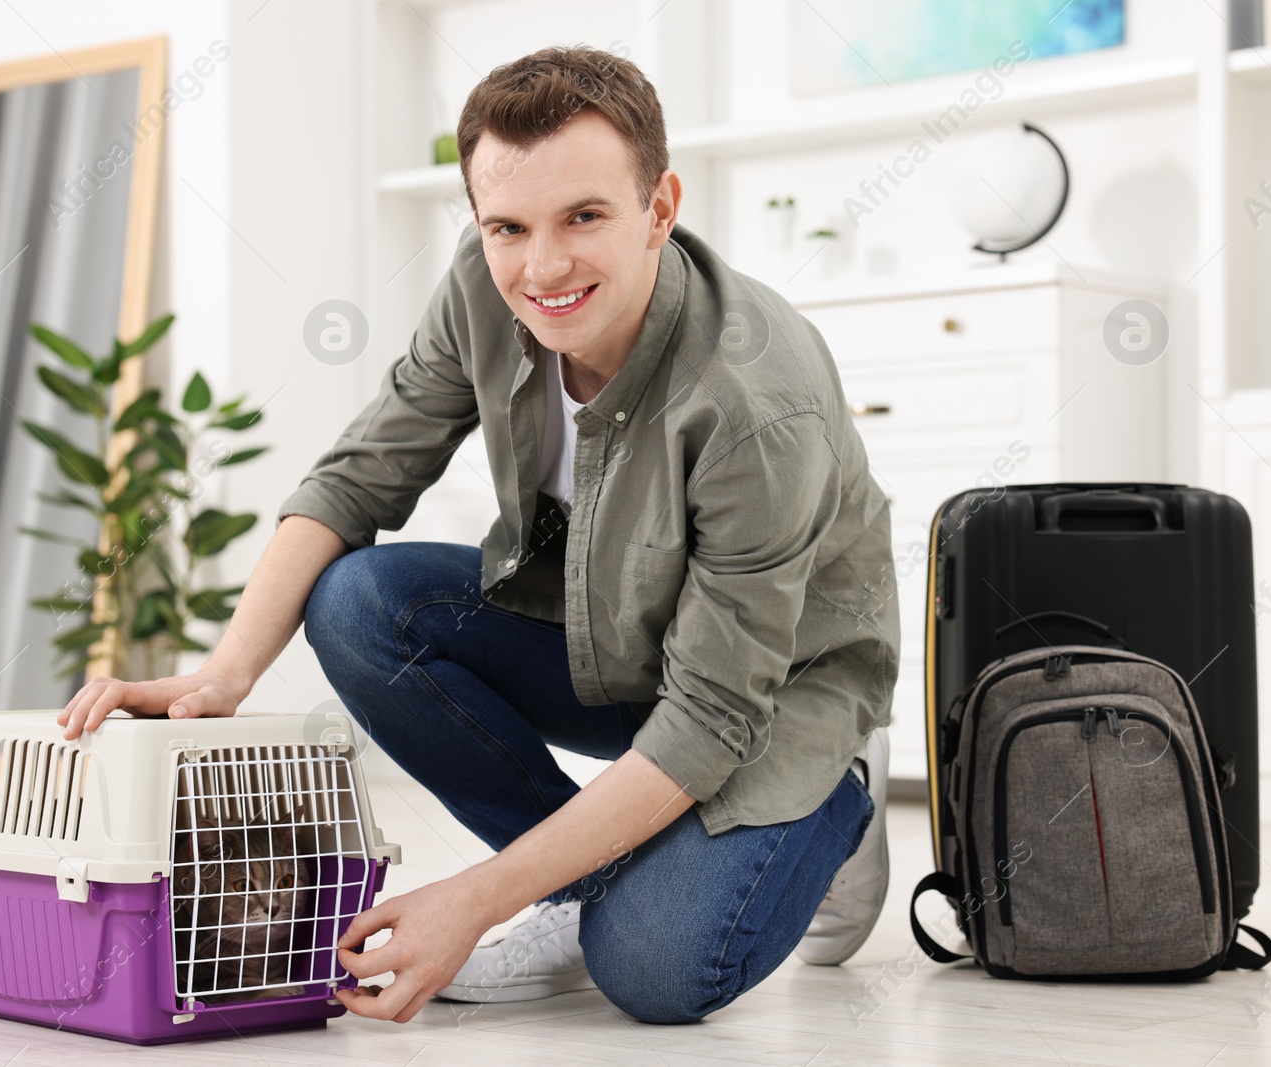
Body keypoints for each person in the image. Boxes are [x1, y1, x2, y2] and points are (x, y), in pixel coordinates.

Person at [57, 44, 898, 1026]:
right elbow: (356, 475)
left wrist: (476, 896)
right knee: (360, 602)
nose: (542, 266)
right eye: (507, 225)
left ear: (660, 207)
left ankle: (833, 795)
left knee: (654, 973)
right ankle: (589, 876)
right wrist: (224, 672)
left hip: (768, 693)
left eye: (584, 216)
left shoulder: (757, 403)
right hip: (615, 637)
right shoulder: (483, 285)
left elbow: (711, 715)